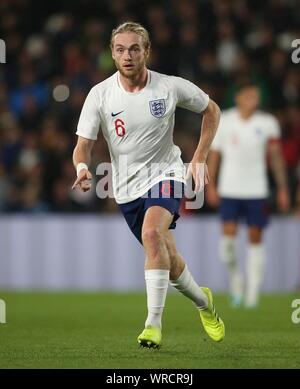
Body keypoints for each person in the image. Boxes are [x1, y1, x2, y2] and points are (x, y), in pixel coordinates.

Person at [72, 21, 224, 348]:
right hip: (126, 188)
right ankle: (204, 303)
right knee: (165, 256)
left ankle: (152, 326)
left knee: (153, 233)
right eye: (120, 49)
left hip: (167, 173)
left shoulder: (168, 87)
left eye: (134, 48)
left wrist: (198, 157)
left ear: (147, 51)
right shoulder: (100, 94)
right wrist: (82, 167)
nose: (127, 55)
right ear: (112, 54)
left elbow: (211, 110)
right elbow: (82, 145)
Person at [206, 82, 290, 308]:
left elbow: (275, 158)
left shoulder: (268, 123)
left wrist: (282, 188)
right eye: (250, 96)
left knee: (255, 239)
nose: (255, 101)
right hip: (230, 189)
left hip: (256, 190)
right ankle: (236, 281)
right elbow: (215, 156)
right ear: (239, 98)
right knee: (228, 245)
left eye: (257, 97)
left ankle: (253, 294)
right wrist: (210, 185)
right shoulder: (225, 121)